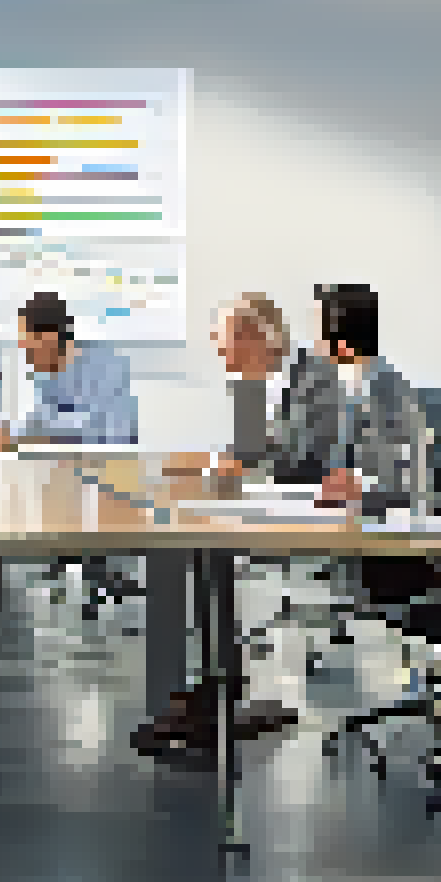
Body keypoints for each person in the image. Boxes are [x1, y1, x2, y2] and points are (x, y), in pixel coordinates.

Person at [133, 294, 302, 753]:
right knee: (180, 547)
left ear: (257, 340)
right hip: (265, 503)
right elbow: (248, 452)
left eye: (227, 345)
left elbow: (302, 460)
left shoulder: (309, 383)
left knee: (183, 554)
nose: (222, 356)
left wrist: (227, 466)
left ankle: (209, 694)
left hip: (308, 514)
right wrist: (209, 461)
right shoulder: (253, 385)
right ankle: (207, 691)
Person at [273, 284, 431, 515]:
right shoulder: (309, 383)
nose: (314, 341)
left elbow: (415, 485)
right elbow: (287, 457)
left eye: (318, 330)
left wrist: (363, 490)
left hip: (374, 523)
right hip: (312, 514)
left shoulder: (395, 395)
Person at [0, 292, 136, 451]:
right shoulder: (51, 378)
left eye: (27, 342)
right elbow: (42, 420)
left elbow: (103, 430)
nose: (24, 348)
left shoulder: (105, 365)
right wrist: (9, 434)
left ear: (49, 337)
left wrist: (17, 437)